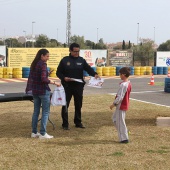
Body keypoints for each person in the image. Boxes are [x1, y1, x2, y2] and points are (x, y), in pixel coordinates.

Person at [56, 43, 100, 130]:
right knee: (65, 105)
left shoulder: (81, 60)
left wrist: (95, 74)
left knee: (78, 104)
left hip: (78, 86)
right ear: (70, 51)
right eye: (75, 51)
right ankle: (65, 124)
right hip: (67, 86)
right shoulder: (65, 60)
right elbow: (58, 72)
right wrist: (64, 78)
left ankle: (78, 122)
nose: (77, 53)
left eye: (78, 51)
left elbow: (88, 69)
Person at [25, 49, 60, 139]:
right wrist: (54, 82)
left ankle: (34, 132)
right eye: (47, 56)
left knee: (36, 111)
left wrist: (47, 73)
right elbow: (44, 80)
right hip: (43, 91)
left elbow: (37, 77)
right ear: (42, 55)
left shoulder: (34, 64)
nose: (48, 58)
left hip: (35, 91)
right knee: (45, 112)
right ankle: (43, 133)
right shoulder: (43, 64)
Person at [109, 67, 131, 143]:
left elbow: (120, 96)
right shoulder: (127, 83)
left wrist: (113, 104)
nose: (119, 76)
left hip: (121, 105)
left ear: (124, 74)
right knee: (115, 119)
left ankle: (124, 138)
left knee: (120, 121)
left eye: (120, 74)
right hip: (123, 105)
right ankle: (124, 132)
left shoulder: (124, 85)